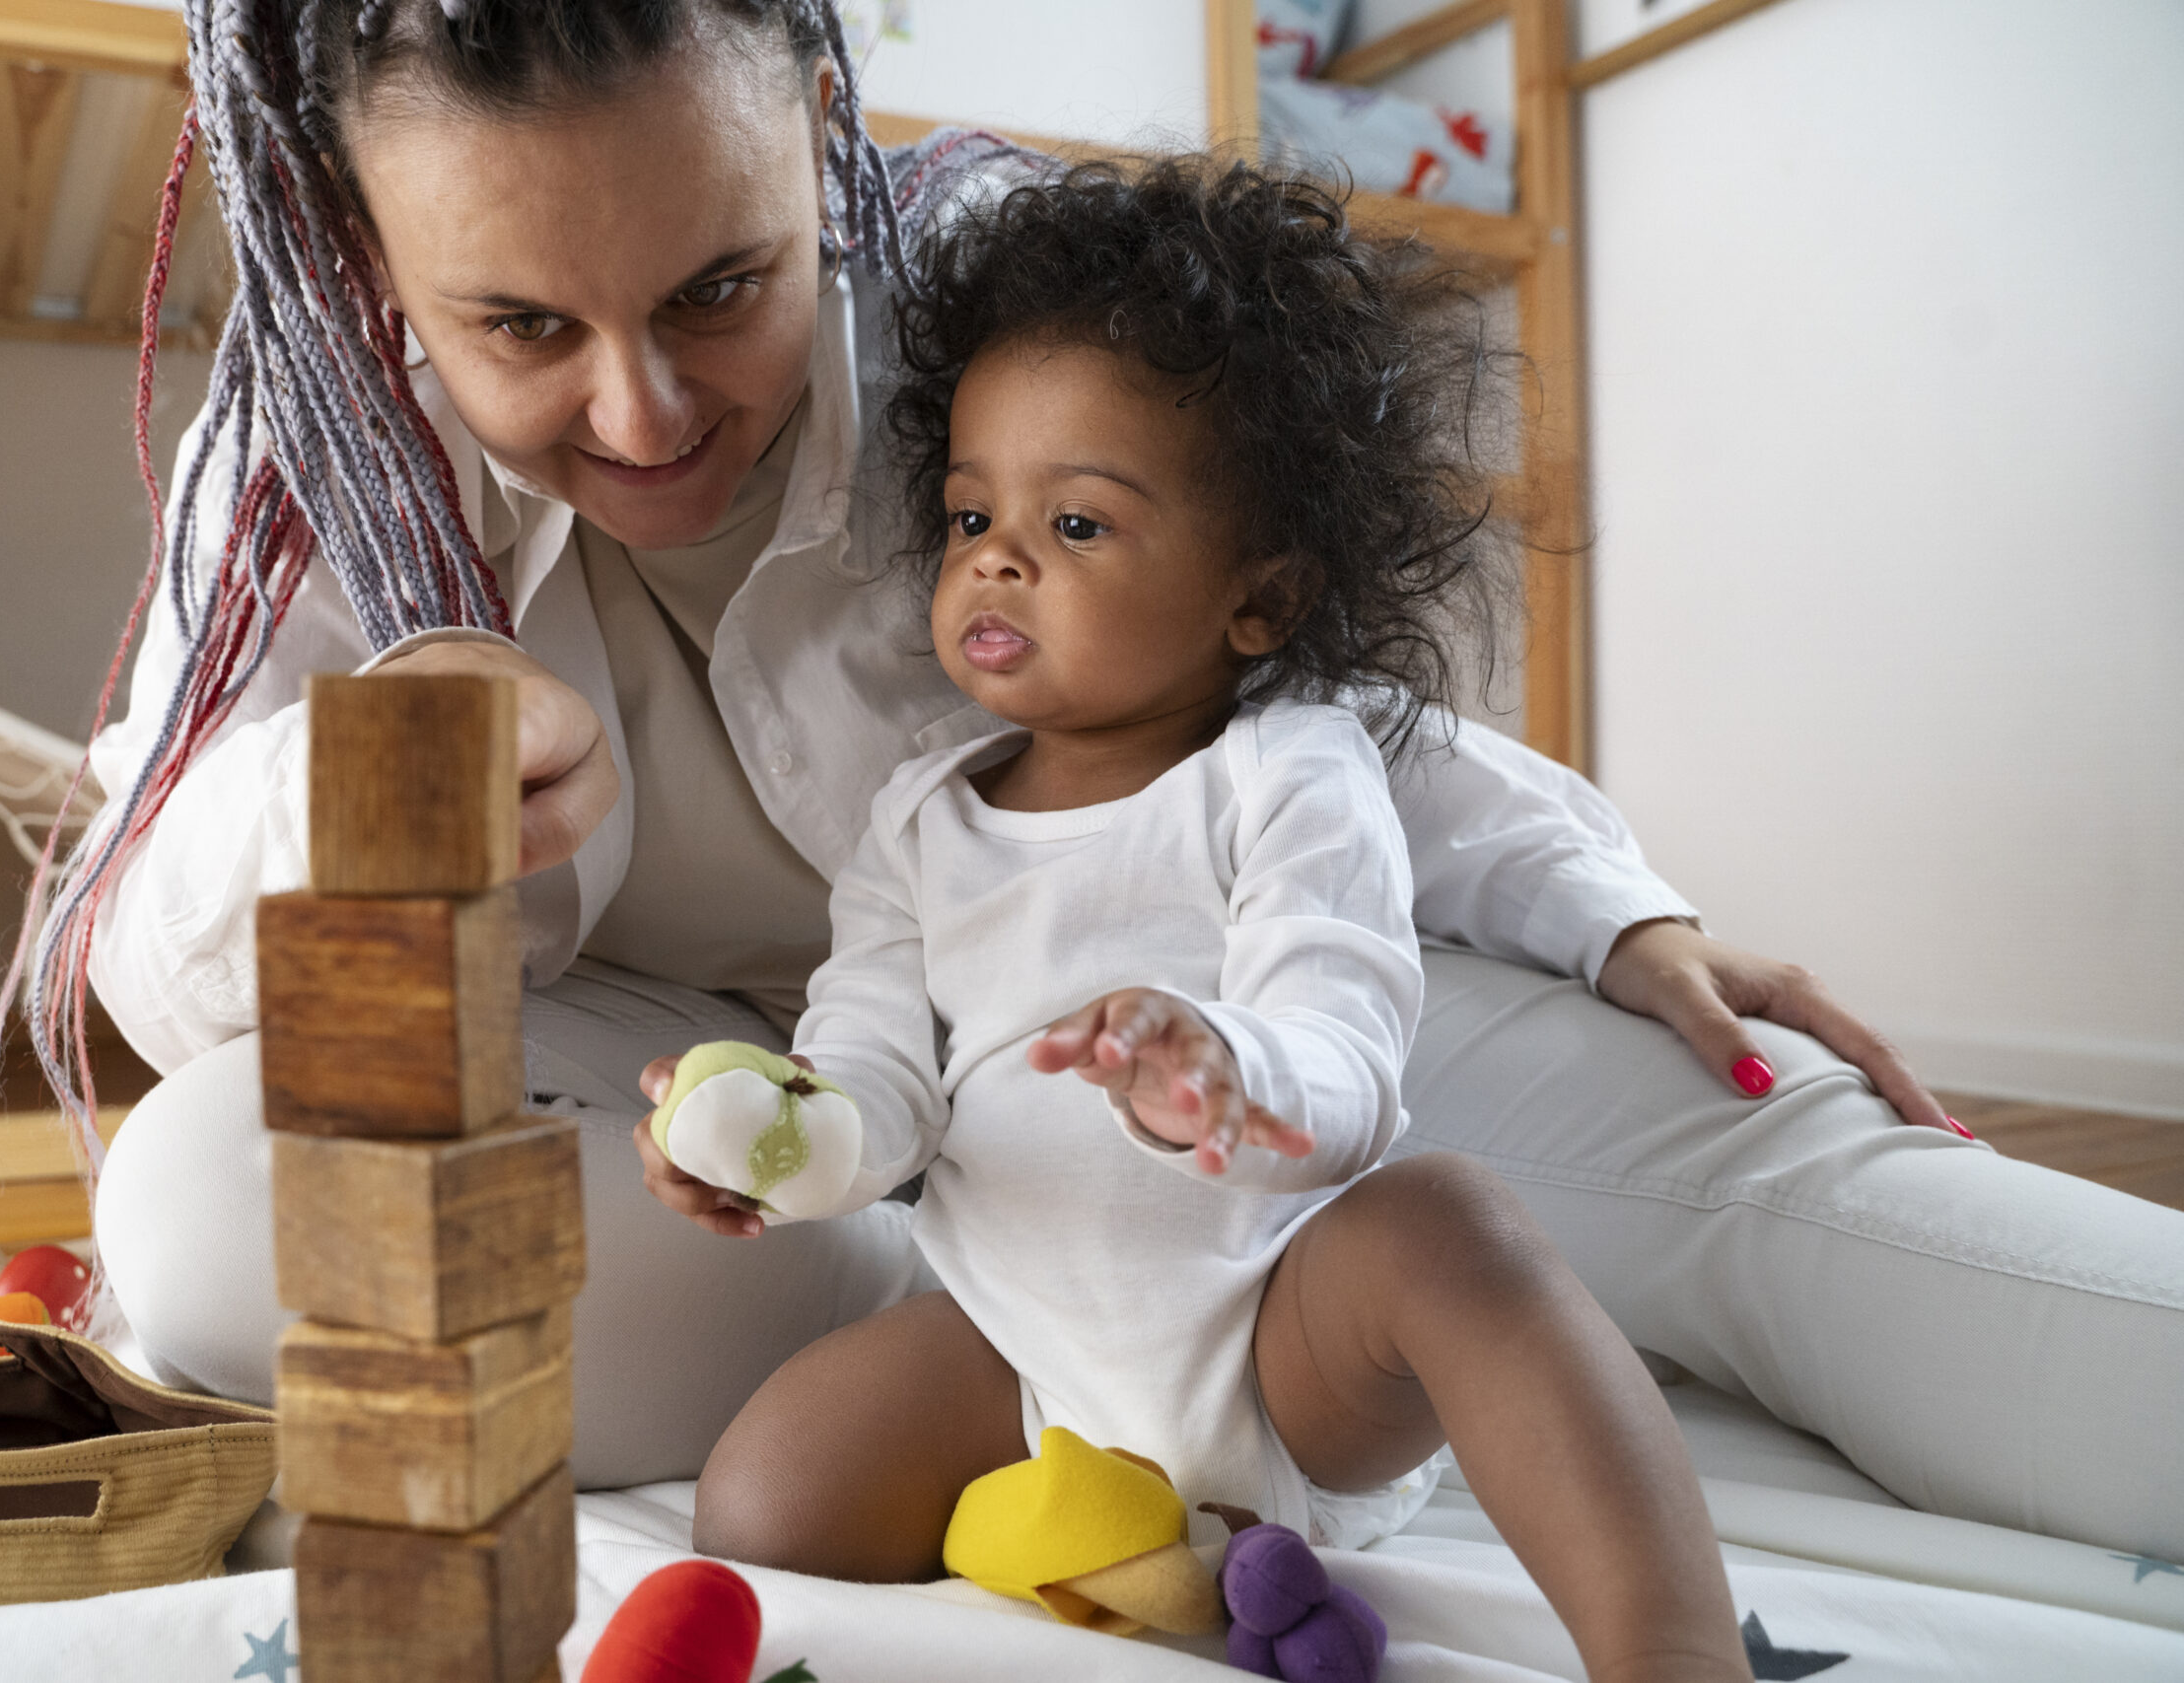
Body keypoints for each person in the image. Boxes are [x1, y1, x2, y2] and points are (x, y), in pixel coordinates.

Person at [51, 0, 2184, 1561]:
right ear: (363, 250)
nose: (640, 409)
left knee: (1796, 1195)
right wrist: (363, 780)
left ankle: (1250, 1307)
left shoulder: (1008, 329)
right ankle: (1109, 1334)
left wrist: (1615, 909)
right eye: (518, 327)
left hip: (1181, 1023)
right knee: (198, 1201)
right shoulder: (304, 474)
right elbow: (159, 975)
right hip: (765, 1120)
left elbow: (1298, 706)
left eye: (720, 286)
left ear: (816, 120)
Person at [654, 156, 1751, 1680]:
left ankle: (1674, 1652)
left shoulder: (1286, 770)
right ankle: (1148, 1544)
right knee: (764, 1499)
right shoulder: (915, 818)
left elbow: (1345, 1049)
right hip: (1031, 1353)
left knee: (1449, 1225)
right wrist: (786, 1136)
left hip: (1283, 1340)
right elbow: (880, 1082)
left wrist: (1220, 1073)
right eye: (974, 508)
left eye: (1080, 525)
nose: (998, 553)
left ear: (1260, 599)